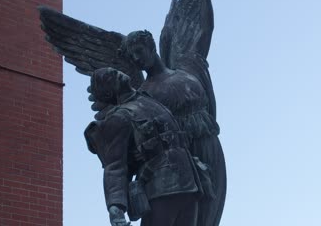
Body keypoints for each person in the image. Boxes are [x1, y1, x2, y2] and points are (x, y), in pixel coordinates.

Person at [122, 29, 226, 226]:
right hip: (181, 155)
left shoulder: (188, 69)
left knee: (211, 212)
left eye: (139, 51)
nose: (136, 58)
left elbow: (210, 103)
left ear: (151, 47)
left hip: (210, 145)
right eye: (132, 55)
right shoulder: (143, 94)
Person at [84, 68, 201, 226]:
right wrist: (116, 207)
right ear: (107, 94)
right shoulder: (119, 117)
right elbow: (115, 166)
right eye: (109, 76)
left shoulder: (147, 99)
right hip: (160, 188)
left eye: (114, 70)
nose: (115, 72)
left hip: (189, 184)